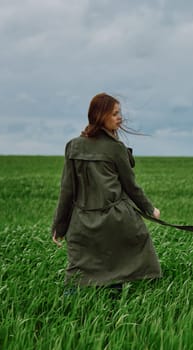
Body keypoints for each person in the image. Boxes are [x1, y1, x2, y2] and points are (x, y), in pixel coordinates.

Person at [51, 92, 162, 290]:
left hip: (82, 223)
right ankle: (118, 303)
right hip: (116, 220)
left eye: (119, 113)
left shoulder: (73, 146)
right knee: (128, 261)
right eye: (114, 114)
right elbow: (131, 186)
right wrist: (149, 209)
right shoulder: (116, 148)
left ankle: (77, 306)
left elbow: (66, 191)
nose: (119, 118)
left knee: (78, 277)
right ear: (99, 116)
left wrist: (60, 227)